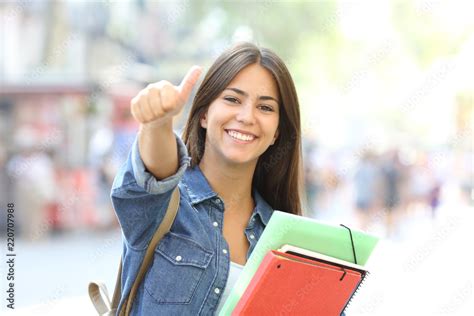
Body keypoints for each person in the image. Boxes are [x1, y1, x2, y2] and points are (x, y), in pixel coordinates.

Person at [111, 42, 304, 315]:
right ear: (204, 114)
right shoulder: (165, 206)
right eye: (232, 99)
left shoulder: (285, 238)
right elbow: (156, 173)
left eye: (265, 108)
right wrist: (158, 123)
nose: (247, 117)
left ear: (276, 133)